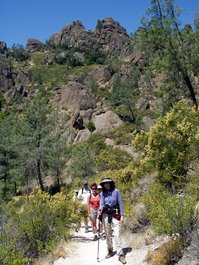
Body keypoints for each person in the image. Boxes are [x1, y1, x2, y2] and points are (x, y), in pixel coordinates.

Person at [99, 177, 127, 264]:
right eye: (105, 183)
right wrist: (101, 209)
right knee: (108, 234)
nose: (106, 184)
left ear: (111, 183)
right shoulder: (102, 194)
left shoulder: (116, 191)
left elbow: (120, 203)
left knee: (117, 234)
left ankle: (120, 254)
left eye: (108, 182)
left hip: (115, 214)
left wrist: (122, 215)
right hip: (106, 215)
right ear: (103, 185)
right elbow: (101, 205)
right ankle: (110, 250)